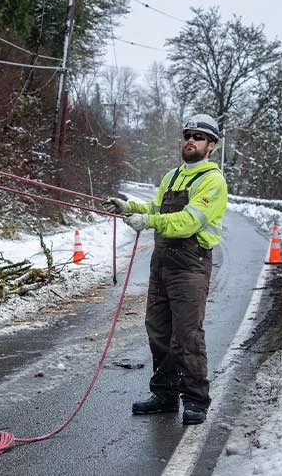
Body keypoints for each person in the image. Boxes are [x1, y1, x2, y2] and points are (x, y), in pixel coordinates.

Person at [103, 113, 228, 425]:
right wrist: (130, 207)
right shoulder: (171, 176)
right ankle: (165, 395)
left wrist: (149, 222)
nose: (190, 140)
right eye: (187, 134)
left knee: (186, 335)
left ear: (211, 146)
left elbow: (188, 222)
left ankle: (196, 400)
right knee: (158, 331)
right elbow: (158, 209)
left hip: (190, 265)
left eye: (198, 137)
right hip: (161, 265)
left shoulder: (213, 181)